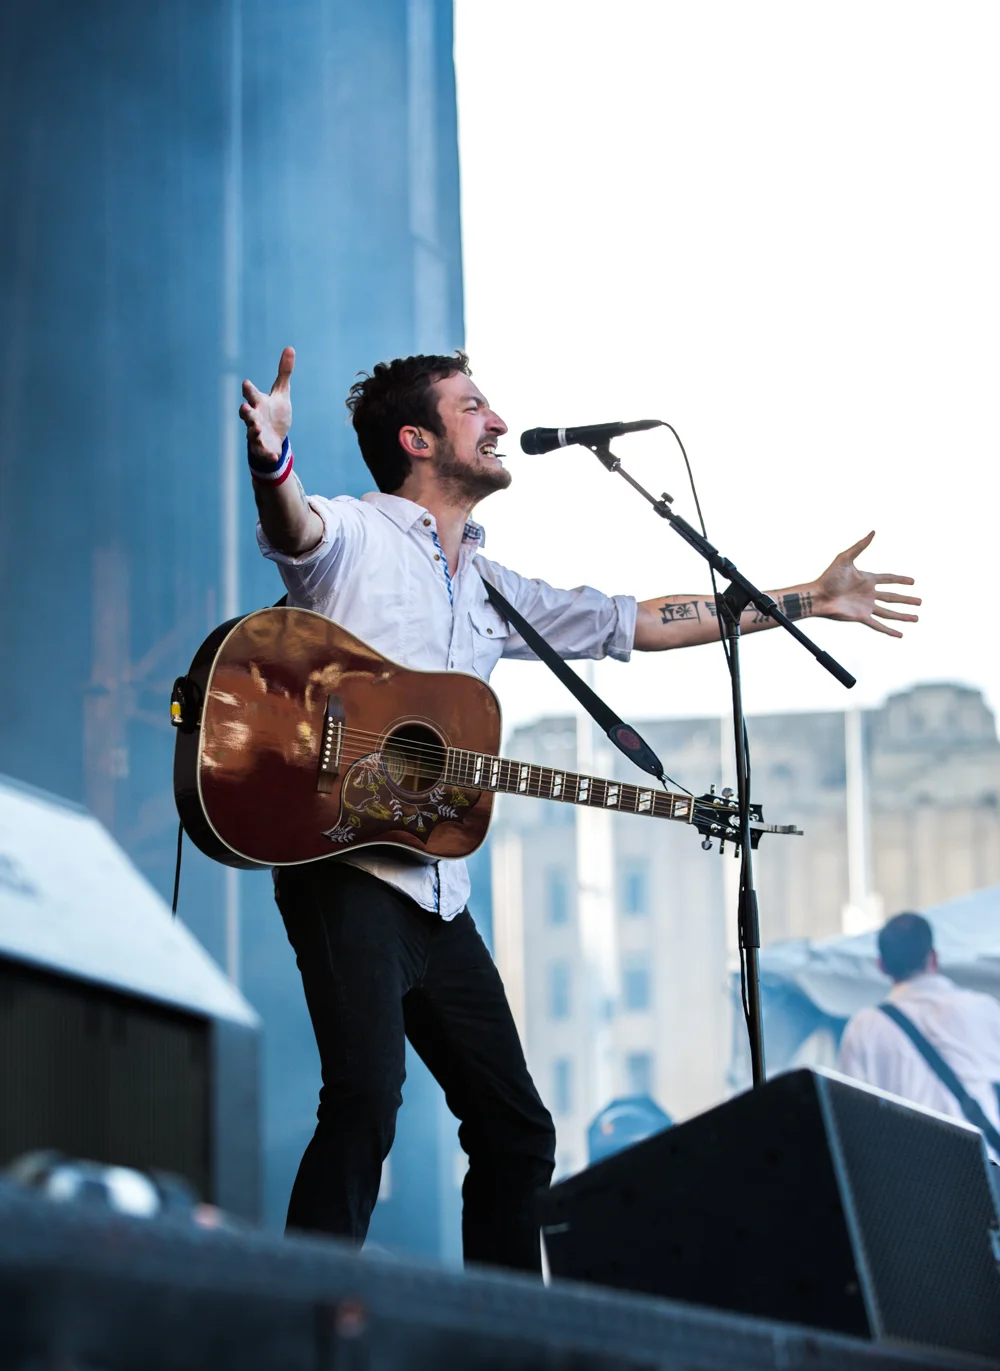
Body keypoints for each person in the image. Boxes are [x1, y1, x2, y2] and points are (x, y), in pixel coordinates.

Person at [239, 345, 920, 1271]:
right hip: (346, 868)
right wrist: (273, 459)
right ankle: (297, 1315)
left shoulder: (493, 586)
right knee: (365, 1101)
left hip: (439, 894)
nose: (498, 421)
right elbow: (295, 529)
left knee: (518, 1134)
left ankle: (507, 1330)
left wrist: (807, 599)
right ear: (417, 441)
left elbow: (637, 622)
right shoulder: (356, 534)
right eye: (473, 406)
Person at [838, 912, 1000, 1159]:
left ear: (881, 965)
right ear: (933, 957)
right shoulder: (982, 1009)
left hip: (912, 1172)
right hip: (983, 1167)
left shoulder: (864, 1027)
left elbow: (850, 1115)